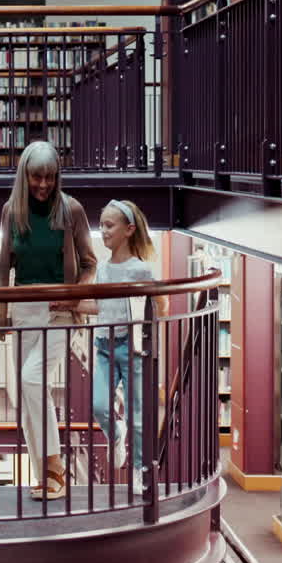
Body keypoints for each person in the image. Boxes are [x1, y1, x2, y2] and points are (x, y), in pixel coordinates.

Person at [0, 141, 96, 501]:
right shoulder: (11, 210)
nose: (44, 185)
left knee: (31, 379)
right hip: (21, 308)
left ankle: (55, 467)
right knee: (26, 393)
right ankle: (47, 474)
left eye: (50, 177)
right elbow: (10, 257)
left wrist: (73, 295)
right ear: (24, 175)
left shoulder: (72, 210)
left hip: (59, 310)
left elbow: (89, 263)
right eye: (37, 176)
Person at [77, 199, 168, 495]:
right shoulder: (102, 270)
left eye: (109, 225)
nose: (102, 231)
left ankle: (141, 471)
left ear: (128, 230)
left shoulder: (140, 269)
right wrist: (69, 303)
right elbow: (101, 308)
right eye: (101, 225)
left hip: (132, 348)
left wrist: (147, 330)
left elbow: (161, 302)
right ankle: (116, 434)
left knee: (138, 416)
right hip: (103, 344)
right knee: (99, 406)